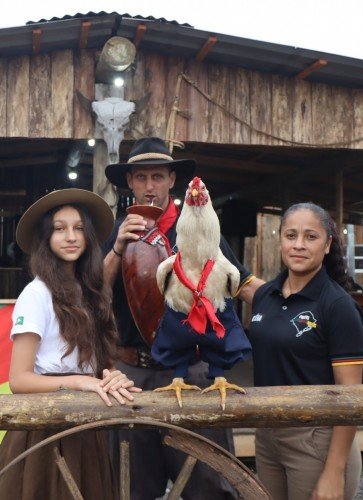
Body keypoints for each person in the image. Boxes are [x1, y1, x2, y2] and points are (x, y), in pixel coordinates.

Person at [102, 137, 264, 500]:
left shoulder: (199, 226)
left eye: (157, 176)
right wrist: (117, 248)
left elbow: (240, 281)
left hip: (191, 367)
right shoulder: (120, 229)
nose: (149, 186)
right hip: (132, 372)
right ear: (129, 182)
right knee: (131, 485)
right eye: (140, 177)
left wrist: (294, 301)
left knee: (206, 480)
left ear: (171, 179)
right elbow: (94, 290)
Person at [0, 188, 141, 500]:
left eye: (78, 228)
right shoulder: (37, 293)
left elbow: (98, 365)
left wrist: (110, 376)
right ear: (45, 238)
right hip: (43, 429)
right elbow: (18, 379)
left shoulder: (94, 293)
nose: (70, 237)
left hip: (84, 428)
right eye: (59, 229)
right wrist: (80, 382)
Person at [248, 202, 363, 500]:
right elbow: (229, 272)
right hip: (267, 434)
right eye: (291, 235)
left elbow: (350, 398)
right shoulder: (266, 295)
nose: (299, 245)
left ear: (327, 245)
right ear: (280, 240)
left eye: (311, 237)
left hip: (316, 438)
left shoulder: (338, 306)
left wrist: (334, 471)